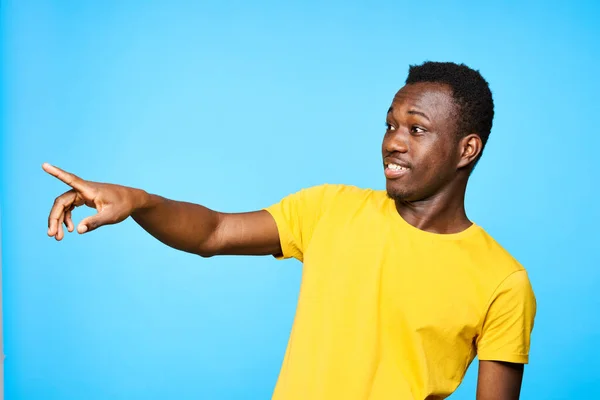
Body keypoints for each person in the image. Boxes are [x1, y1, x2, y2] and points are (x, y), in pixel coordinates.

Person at [44, 61, 536, 400]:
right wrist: (137, 201)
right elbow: (211, 233)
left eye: (416, 129)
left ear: (466, 149)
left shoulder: (502, 281)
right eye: (389, 126)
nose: (393, 143)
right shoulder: (329, 209)